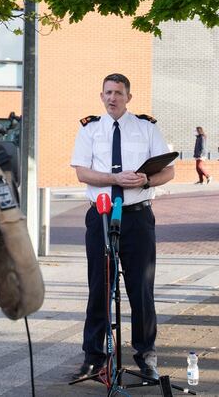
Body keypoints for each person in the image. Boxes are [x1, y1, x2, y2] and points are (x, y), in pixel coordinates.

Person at [70, 73, 175, 381]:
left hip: (137, 217)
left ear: (129, 97)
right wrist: (114, 178)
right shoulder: (90, 129)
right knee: (99, 286)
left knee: (141, 289)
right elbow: (82, 173)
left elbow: (168, 171)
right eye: (108, 92)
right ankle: (94, 357)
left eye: (118, 92)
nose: (112, 97)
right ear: (101, 96)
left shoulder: (147, 127)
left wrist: (146, 180)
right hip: (101, 216)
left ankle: (146, 357)